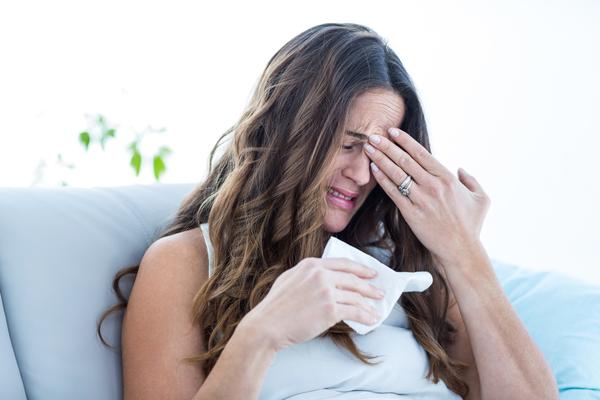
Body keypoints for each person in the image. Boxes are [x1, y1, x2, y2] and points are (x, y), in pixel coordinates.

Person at [97, 22, 558, 400]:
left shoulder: (411, 270)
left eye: (379, 155)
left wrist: (464, 252)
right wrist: (262, 334)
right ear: (287, 133)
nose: (361, 174)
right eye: (348, 144)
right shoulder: (186, 263)